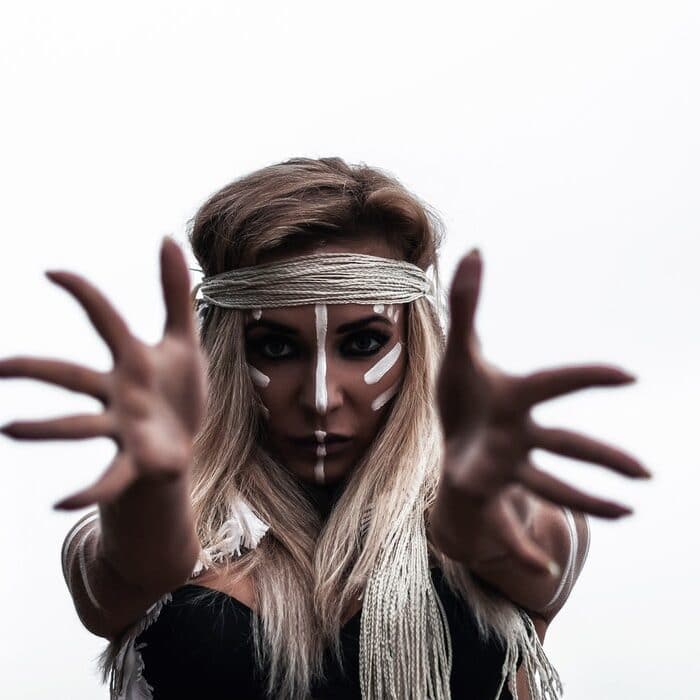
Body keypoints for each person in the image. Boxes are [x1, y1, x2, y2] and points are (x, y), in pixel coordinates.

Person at [0, 157, 650, 700]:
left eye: (364, 342)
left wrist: (476, 496)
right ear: (226, 358)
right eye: (276, 348)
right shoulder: (163, 527)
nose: (319, 397)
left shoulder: (506, 522)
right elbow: (120, 571)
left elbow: (521, 546)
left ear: (417, 348)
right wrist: (154, 478)